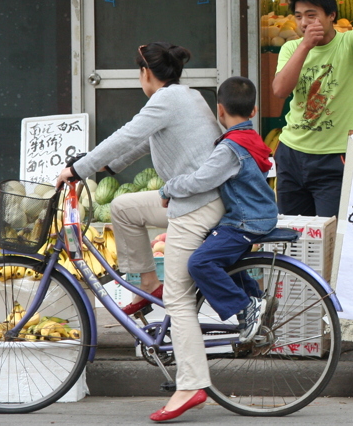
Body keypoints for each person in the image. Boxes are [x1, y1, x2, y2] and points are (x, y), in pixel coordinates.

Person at [55, 42, 224, 422]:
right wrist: (108, 169)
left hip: (196, 205)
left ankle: (191, 385)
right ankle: (149, 283)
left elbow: (128, 134)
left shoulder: (165, 101)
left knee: (179, 297)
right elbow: (145, 143)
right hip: (190, 197)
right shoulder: (186, 96)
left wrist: (79, 169)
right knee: (123, 207)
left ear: (147, 73)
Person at [159, 76, 277, 344]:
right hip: (257, 216)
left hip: (245, 221)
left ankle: (245, 306)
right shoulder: (251, 138)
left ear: (220, 110)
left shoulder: (230, 149)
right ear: (254, 111)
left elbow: (201, 180)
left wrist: (169, 188)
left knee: (200, 263)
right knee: (224, 258)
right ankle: (257, 299)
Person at [272, 0, 353, 218]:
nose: (304, 23)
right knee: (294, 234)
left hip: (333, 159)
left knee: (330, 236)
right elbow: (279, 90)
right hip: (291, 154)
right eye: (298, 16)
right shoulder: (291, 48)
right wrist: (305, 46)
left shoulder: (350, 43)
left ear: (331, 15)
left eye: (312, 15)